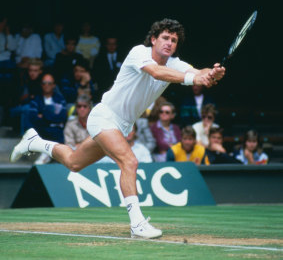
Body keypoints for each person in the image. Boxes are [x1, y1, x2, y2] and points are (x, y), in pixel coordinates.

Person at [10, 18, 225, 239]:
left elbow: (199, 71)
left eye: (174, 40)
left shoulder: (175, 63)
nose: (169, 43)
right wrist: (195, 78)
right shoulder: (138, 53)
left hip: (121, 126)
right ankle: (137, 224)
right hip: (104, 117)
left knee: (74, 163)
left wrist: (211, 73)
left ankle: (34, 142)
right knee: (129, 162)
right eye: (165, 38)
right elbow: (157, 73)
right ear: (153, 39)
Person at [29, 73, 67, 164]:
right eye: (44, 83)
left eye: (49, 83)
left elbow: (62, 116)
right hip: (42, 131)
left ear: (54, 85)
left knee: (57, 132)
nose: (46, 85)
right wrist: (52, 115)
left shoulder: (60, 99)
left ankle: (47, 156)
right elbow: (34, 118)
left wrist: (44, 114)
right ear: (41, 85)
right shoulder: (36, 100)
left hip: (57, 131)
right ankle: (46, 156)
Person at [10, 59, 43, 135]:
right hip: (18, 108)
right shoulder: (22, 80)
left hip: (36, 108)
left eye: (35, 71)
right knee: (28, 108)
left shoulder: (44, 82)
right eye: (30, 70)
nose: (32, 73)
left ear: (40, 71)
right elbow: (18, 100)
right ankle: (25, 137)